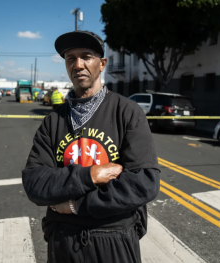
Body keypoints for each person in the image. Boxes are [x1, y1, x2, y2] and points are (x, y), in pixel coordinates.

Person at [22, 30, 161, 263]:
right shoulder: (53, 121)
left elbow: (144, 182)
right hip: (63, 240)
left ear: (102, 63)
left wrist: (75, 205)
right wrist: (91, 175)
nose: (78, 64)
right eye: (70, 58)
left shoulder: (127, 112)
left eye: (86, 56)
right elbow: (35, 182)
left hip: (114, 238)